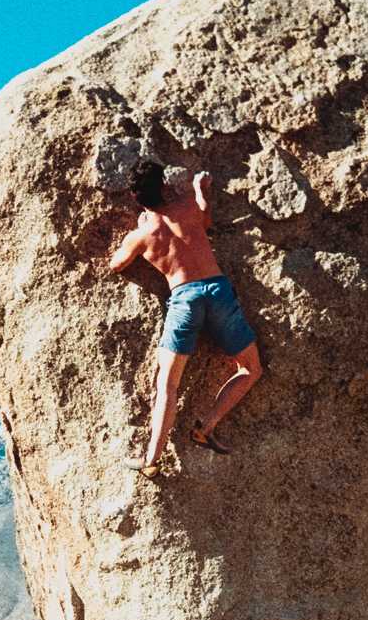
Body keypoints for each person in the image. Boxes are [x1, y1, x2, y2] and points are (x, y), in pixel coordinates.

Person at [108, 159, 263, 474]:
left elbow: (116, 265)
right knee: (251, 369)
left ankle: (151, 461)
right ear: (165, 186)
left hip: (184, 297)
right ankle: (205, 428)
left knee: (167, 382)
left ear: (137, 198)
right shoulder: (188, 207)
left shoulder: (142, 235)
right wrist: (199, 189)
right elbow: (206, 220)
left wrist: (137, 233)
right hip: (218, 290)